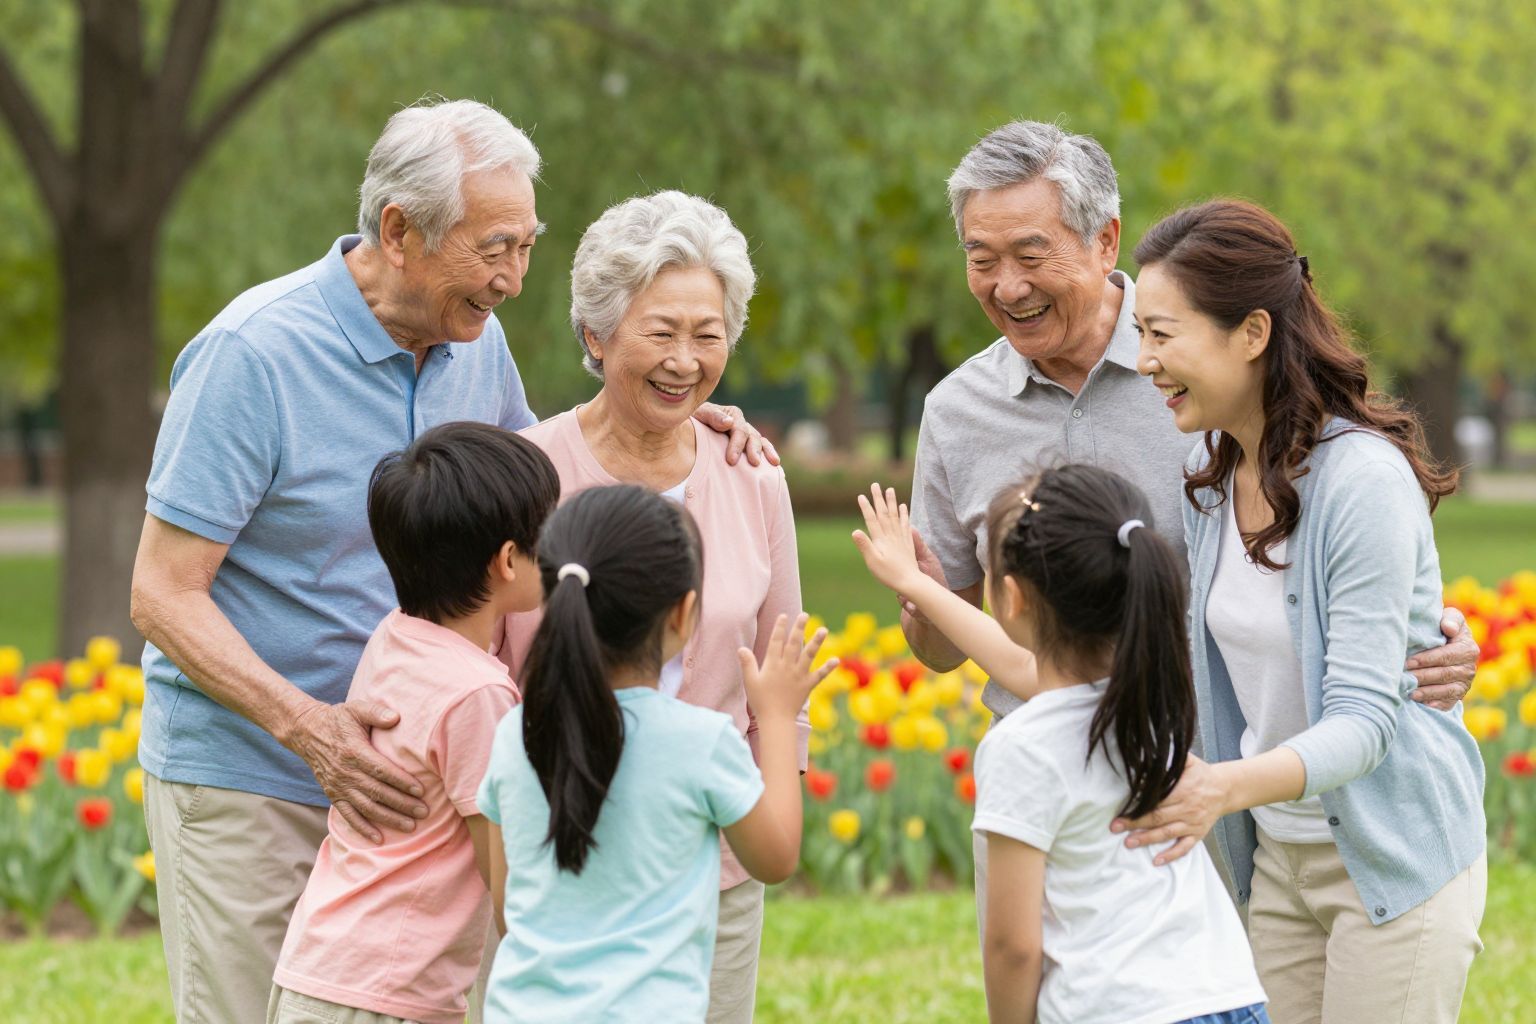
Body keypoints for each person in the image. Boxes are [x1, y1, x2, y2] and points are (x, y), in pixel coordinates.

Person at [129, 98, 771, 1024]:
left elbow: (532, 497)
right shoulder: (253, 354)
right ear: (399, 231)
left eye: (525, 244)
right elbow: (161, 592)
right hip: (256, 772)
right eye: (494, 247)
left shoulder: (475, 342)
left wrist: (674, 424)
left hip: (420, 782)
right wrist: (314, 732)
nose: (513, 279)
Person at [900, 119, 1478, 929]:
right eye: (980, 258)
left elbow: (1346, 542)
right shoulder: (956, 413)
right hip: (1056, 799)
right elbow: (936, 645)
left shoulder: (1212, 369)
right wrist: (921, 605)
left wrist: (1435, 633)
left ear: (1105, 242)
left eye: (1031, 255)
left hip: (1216, 794)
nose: (1006, 285)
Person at [1118, 199, 1486, 1024]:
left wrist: (1218, 788)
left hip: (1390, 861)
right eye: (1140, 332)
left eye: (1162, 333)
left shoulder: (1361, 481)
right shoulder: (1209, 473)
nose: (1143, 360)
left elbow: (1362, 721)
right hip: (1278, 857)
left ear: (1251, 334)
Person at [499, 190, 803, 1022]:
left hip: (717, 875)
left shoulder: (753, 476)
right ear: (596, 337)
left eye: (708, 336)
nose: (685, 360)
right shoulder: (526, 476)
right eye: (661, 332)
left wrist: (773, 793)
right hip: (560, 857)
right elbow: (487, 667)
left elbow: (782, 670)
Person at [851, 473, 1269, 1024]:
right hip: (1228, 996)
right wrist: (919, 585)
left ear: (1014, 596)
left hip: (1113, 1009)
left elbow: (1012, 946)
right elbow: (1026, 665)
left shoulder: (1022, 747)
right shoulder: (1153, 703)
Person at [478, 486, 834, 1023]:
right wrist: (780, 719)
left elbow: (508, 907)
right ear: (684, 613)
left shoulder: (513, 736)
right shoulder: (700, 742)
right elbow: (777, 856)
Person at [264, 422, 558, 1024]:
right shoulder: (478, 695)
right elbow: (507, 878)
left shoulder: (396, 635)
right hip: (388, 993)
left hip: (324, 970)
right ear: (507, 560)